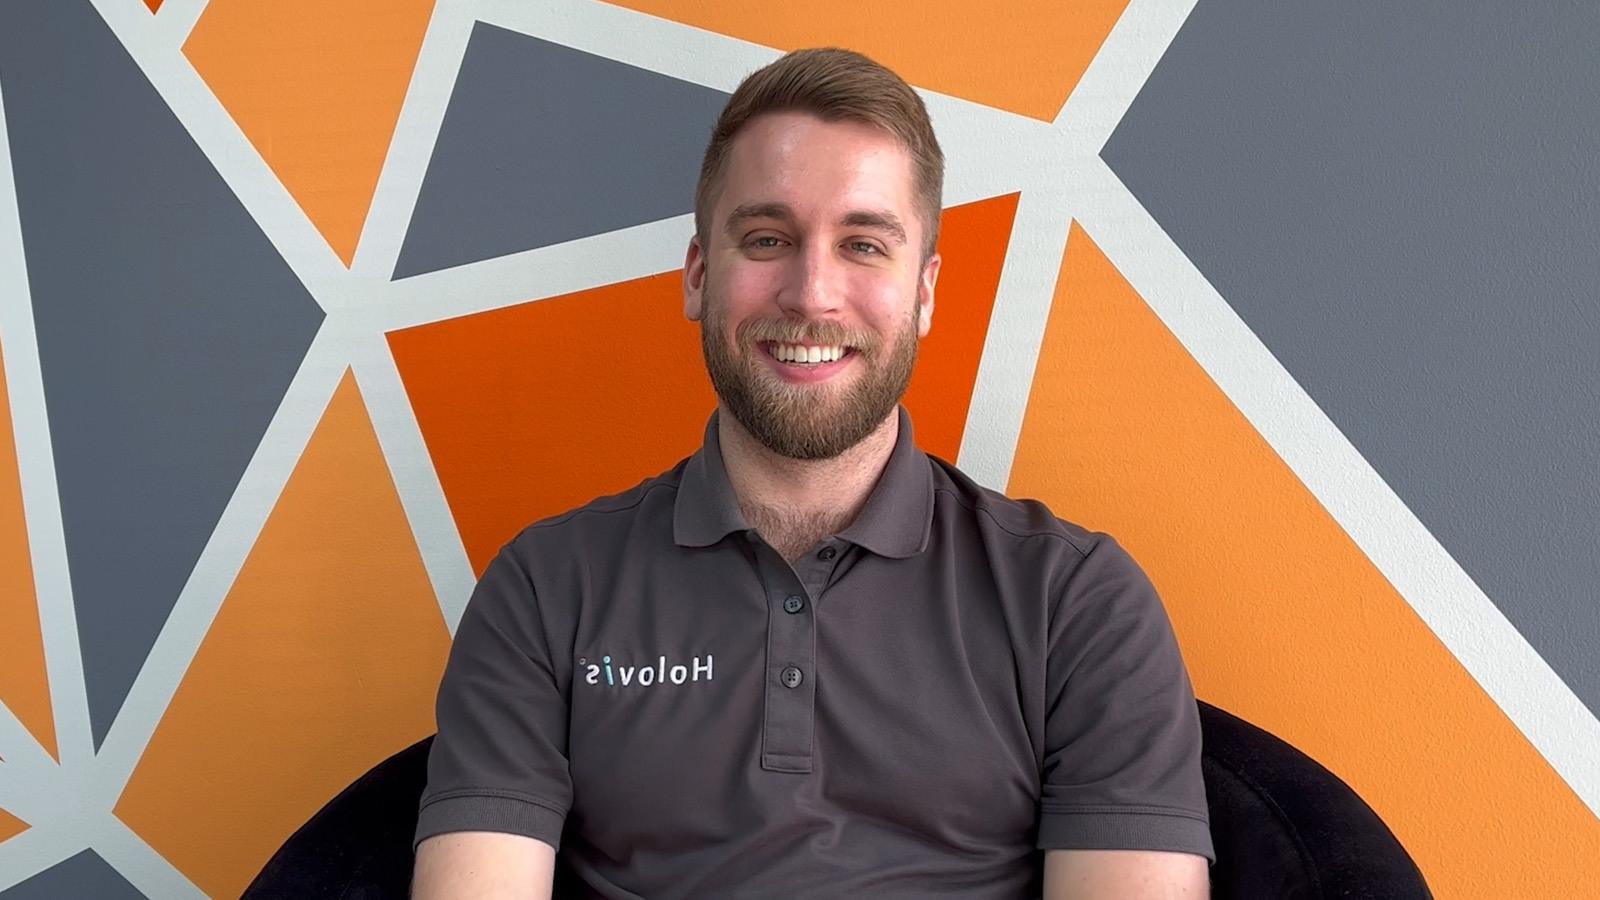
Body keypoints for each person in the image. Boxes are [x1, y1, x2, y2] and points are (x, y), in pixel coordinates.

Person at [411, 47, 1212, 899]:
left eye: (863, 244)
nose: (811, 293)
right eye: (767, 239)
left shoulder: (1077, 602)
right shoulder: (546, 588)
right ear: (696, 275)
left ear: (926, 292)